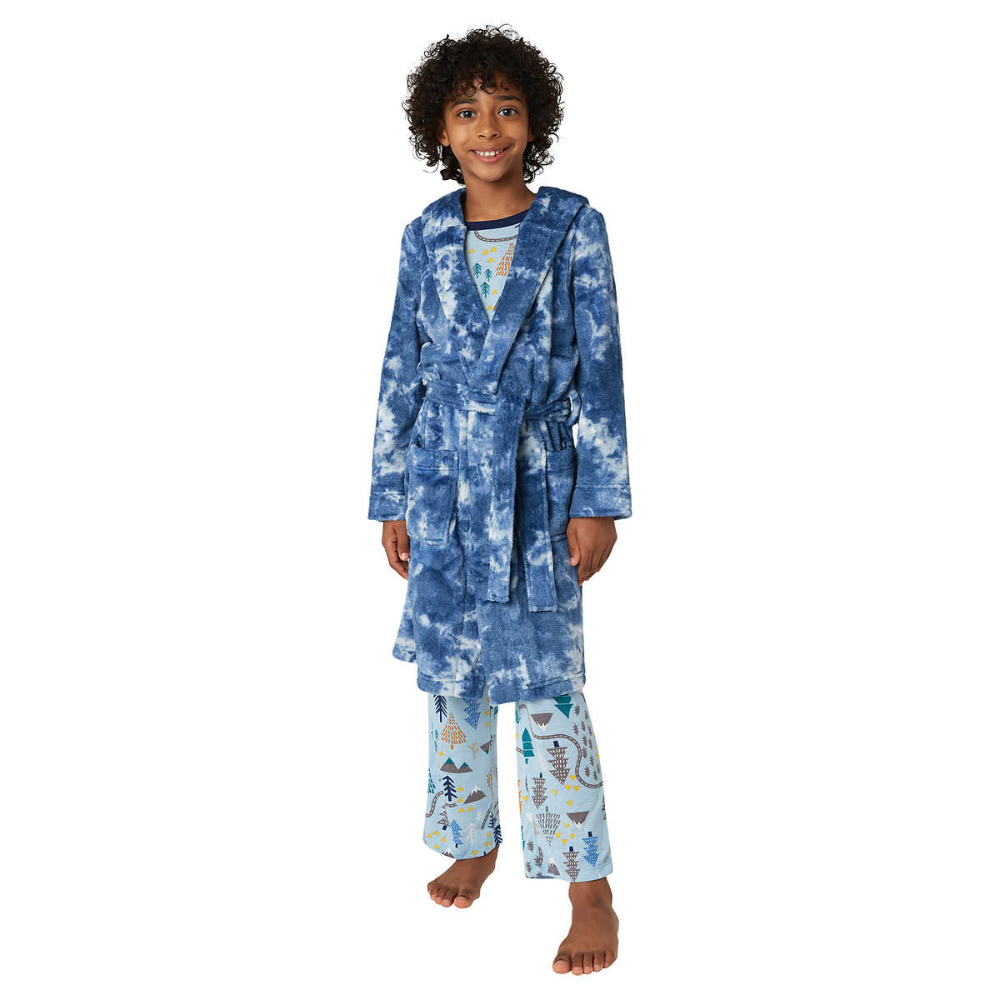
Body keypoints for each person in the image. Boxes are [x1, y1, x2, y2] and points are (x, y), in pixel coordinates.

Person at [367, 25, 631, 976]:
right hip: (441, 486)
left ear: (535, 123)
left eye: (507, 109)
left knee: (548, 688)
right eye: (468, 111)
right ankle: (470, 838)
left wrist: (597, 497)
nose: (489, 129)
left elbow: (600, 368)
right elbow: (400, 366)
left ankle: (588, 886)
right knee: (455, 680)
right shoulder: (426, 236)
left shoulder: (573, 227)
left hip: (537, 486)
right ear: (439, 129)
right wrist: (392, 494)